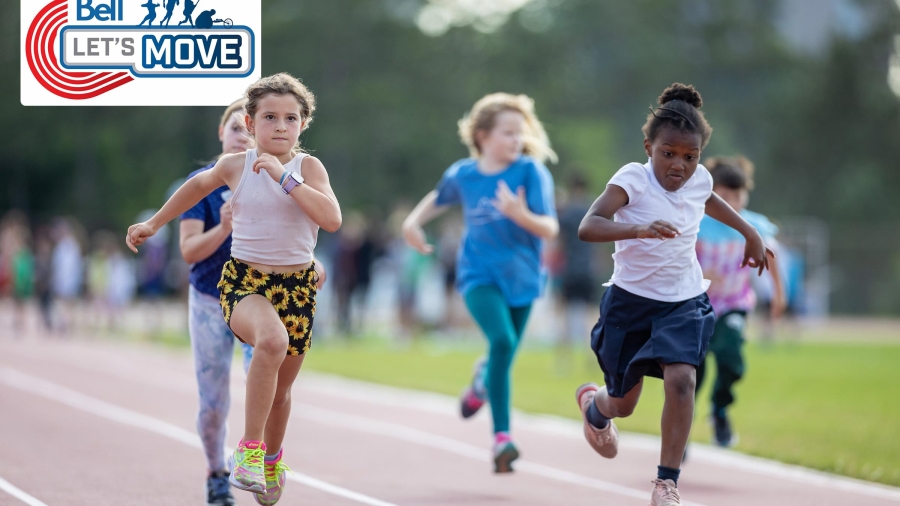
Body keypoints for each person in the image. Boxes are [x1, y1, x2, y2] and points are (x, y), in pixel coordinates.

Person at [127, 73, 341, 505]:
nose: (280, 126)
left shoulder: (308, 169)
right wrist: (154, 223)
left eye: (291, 118)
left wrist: (285, 178)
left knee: (281, 392)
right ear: (249, 122)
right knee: (270, 341)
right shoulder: (235, 166)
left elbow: (332, 219)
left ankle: (271, 458)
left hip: (297, 288)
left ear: (303, 125)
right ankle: (247, 449)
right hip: (246, 282)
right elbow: (195, 187)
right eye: (269, 117)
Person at [573, 83, 772, 506]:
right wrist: (637, 229)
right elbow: (588, 226)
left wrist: (749, 231)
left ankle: (667, 483)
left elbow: (711, 199)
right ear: (649, 147)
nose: (679, 165)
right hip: (630, 303)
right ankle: (595, 408)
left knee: (682, 381)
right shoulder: (633, 180)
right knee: (623, 404)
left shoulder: (699, 179)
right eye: (669, 154)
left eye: (690, 156)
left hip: (683, 301)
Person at [402, 93, 558, 473]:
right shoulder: (464, 174)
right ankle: (502, 438)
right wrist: (412, 222)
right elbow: (438, 198)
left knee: (504, 355)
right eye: (508, 133)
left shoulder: (531, 172)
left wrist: (521, 214)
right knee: (502, 342)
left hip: (522, 277)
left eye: (519, 134)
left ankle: (480, 384)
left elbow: (550, 228)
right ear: (483, 135)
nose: (516, 141)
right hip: (477, 274)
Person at [178, 98, 256, 506]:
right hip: (209, 299)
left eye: (250, 128)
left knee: (261, 379)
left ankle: (256, 458)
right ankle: (216, 473)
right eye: (235, 128)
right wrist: (223, 227)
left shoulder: (266, 178)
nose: (243, 136)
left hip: (253, 300)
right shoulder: (202, 186)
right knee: (213, 404)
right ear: (221, 132)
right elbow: (189, 251)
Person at [694, 156, 784, 447]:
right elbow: (674, 256)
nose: (731, 202)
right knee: (691, 373)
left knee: (731, 359)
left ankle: (720, 409)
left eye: (738, 195)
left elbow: (772, 259)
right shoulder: (696, 221)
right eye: (724, 195)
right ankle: (679, 431)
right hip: (695, 307)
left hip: (734, 303)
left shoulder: (754, 225)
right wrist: (700, 272)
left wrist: (778, 294)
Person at [553, 173, 597, 372]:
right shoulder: (593, 208)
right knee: (590, 314)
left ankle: (564, 359)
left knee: (565, 314)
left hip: (570, 269)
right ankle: (593, 355)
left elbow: (559, 242)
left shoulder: (567, 213)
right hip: (587, 268)